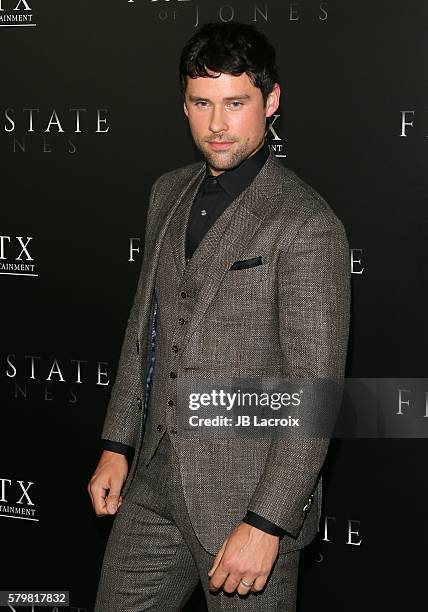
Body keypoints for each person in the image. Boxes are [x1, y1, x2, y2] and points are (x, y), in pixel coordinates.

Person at [88, 21, 351, 611]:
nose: (217, 124)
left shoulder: (307, 223)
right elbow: (145, 330)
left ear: (271, 100)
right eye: (201, 103)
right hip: (153, 481)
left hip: (248, 499)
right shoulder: (167, 193)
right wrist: (116, 443)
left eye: (236, 103)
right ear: (183, 104)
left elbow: (315, 390)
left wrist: (268, 523)